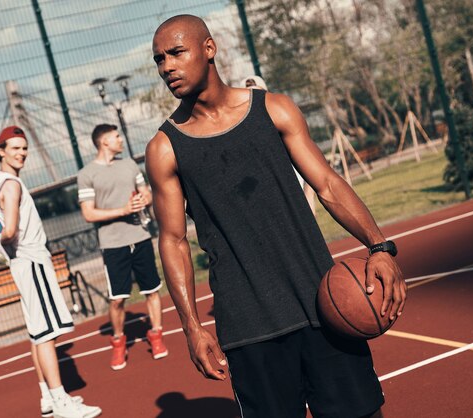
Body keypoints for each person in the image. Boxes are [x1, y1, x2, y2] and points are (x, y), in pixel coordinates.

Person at [146, 15, 406, 418]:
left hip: (322, 305)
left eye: (177, 53)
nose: (168, 67)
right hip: (250, 328)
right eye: (160, 59)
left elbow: (328, 184)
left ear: (209, 49)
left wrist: (379, 245)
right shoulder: (165, 148)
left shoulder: (274, 109)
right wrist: (193, 328)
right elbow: (173, 241)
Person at [0, 126, 101, 418]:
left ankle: (48, 398)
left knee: (38, 333)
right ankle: (61, 401)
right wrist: (7, 241)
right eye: (15, 148)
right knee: (48, 334)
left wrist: (3, 247)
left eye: (24, 149)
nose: (21, 153)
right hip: (31, 260)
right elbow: (10, 229)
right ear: (1, 151)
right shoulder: (11, 184)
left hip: (20, 263)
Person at [77, 123, 168, 371]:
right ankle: (118, 341)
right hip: (113, 244)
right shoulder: (86, 174)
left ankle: (156, 335)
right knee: (118, 299)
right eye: (116, 137)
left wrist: (143, 199)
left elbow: (147, 193)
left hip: (139, 237)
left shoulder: (129, 165)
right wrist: (123, 210)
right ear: (104, 141)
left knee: (152, 290)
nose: (120, 140)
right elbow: (88, 213)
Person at [241, 74, 317, 214]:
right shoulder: (240, 137)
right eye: (249, 96)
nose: (255, 101)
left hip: (296, 199)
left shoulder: (284, 122)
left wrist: (309, 196)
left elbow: (309, 164)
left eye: (259, 94)